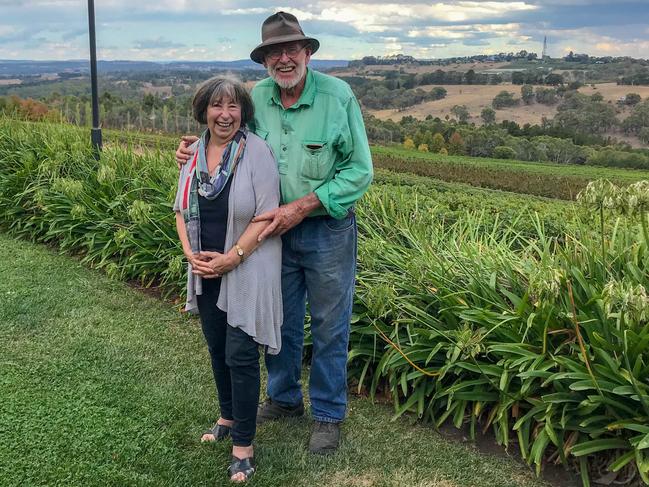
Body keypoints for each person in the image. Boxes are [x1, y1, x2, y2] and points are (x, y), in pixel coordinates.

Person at [176, 12, 373, 455]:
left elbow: (360, 171)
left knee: (328, 323)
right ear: (265, 61)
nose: (283, 59)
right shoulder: (256, 97)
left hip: (325, 228)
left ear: (307, 53)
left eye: (291, 50)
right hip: (268, 233)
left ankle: (327, 413)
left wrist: (301, 206)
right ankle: (284, 399)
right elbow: (228, 136)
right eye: (273, 53)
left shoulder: (338, 96)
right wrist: (193, 148)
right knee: (276, 320)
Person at [173, 76, 282, 482]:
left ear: (243, 113)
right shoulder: (193, 154)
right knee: (217, 348)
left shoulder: (257, 152)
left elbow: (267, 216)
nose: (225, 114)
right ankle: (227, 415)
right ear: (203, 111)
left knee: (240, 354)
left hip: (249, 265)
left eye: (233, 106)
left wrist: (231, 258)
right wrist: (191, 255)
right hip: (206, 268)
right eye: (217, 106)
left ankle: (243, 445)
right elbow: (181, 209)